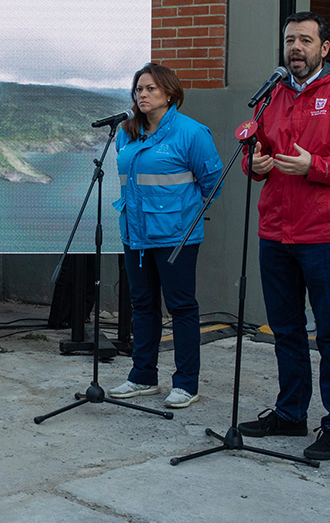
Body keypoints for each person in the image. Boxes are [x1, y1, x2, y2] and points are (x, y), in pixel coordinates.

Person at [238, 12, 330, 460]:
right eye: (289, 40)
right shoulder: (272, 95)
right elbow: (253, 153)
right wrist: (254, 165)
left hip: (324, 234)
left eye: (305, 39)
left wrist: (314, 167)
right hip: (275, 231)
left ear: (324, 47)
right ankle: (290, 413)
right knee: (285, 330)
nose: (295, 47)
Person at [107, 63, 223, 409]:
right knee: (142, 306)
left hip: (176, 236)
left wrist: (178, 211)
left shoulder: (191, 133)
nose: (142, 95)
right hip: (135, 233)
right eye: (138, 89)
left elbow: (212, 183)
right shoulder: (127, 132)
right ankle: (143, 376)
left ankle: (186, 384)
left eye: (150, 89)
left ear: (169, 93)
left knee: (181, 307)